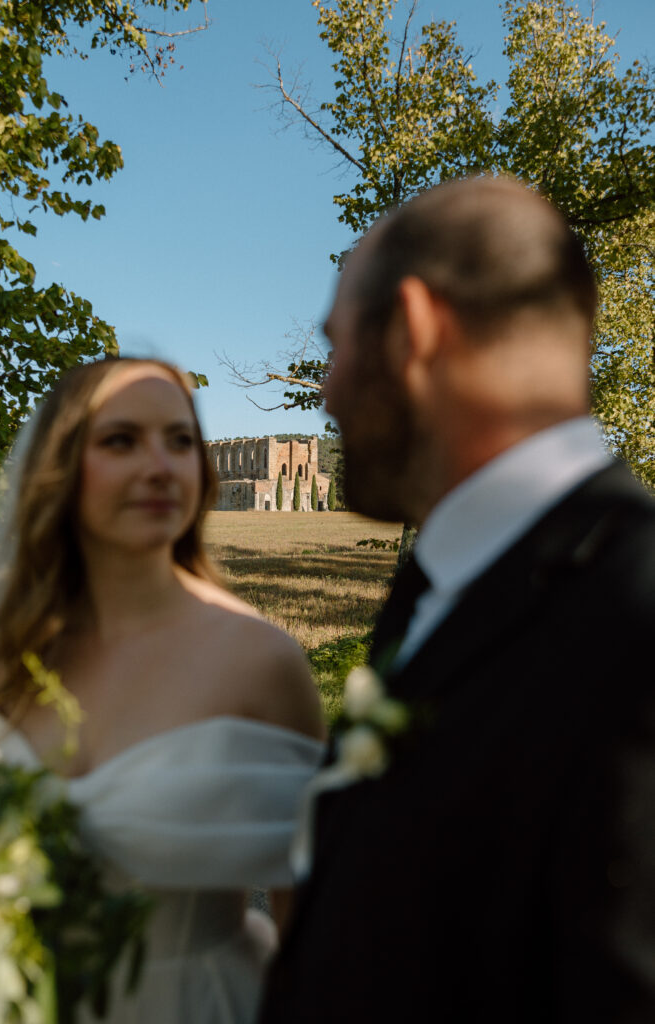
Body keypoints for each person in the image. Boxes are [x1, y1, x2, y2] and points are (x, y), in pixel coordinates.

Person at [258, 175, 655, 1022]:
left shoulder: (635, 614)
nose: (325, 393)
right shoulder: (439, 584)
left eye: (336, 347)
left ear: (413, 329)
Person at [0, 356, 325, 1024]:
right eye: (121, 440)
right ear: (61, 464)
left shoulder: (260, 663)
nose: (159, 466)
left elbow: (310, 925)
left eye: (181, 440)